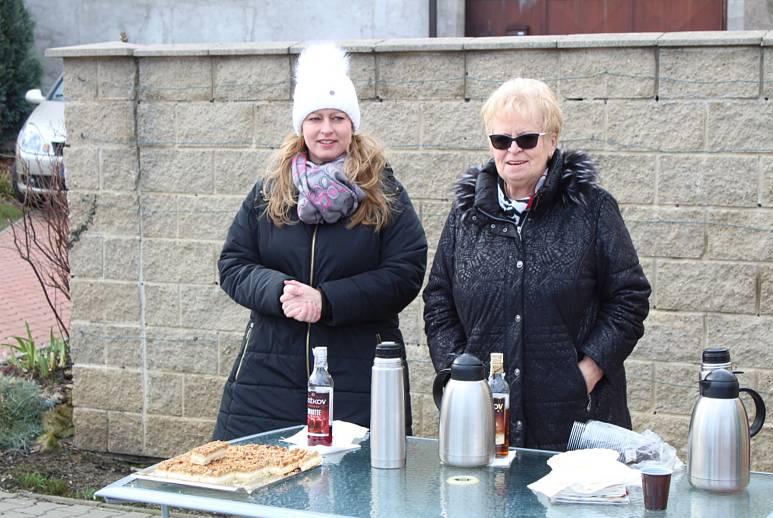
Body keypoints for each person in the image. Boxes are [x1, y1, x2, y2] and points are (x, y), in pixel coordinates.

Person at [213, 43, 426, 444]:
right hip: (269, 376)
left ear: (352, 124)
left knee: (353, 492)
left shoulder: (384, 192)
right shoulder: (270, 191)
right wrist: (281, 292)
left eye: (337, 118)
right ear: (301, 125)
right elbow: (234, 264)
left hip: (358, 374)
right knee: (267, 489)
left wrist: (325, 301)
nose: (326, 129)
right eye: (315, 118)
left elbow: (405, 272)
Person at [423, 78, 650, 452]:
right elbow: (438, 303)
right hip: (484, 421)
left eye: (527, 139)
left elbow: (629, 299)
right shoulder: (466, 216)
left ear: (552, 140)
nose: (513, 150)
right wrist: (457, 377)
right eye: (501, 140)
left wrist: (586, 374)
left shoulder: (592, 210)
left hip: (577, 424)